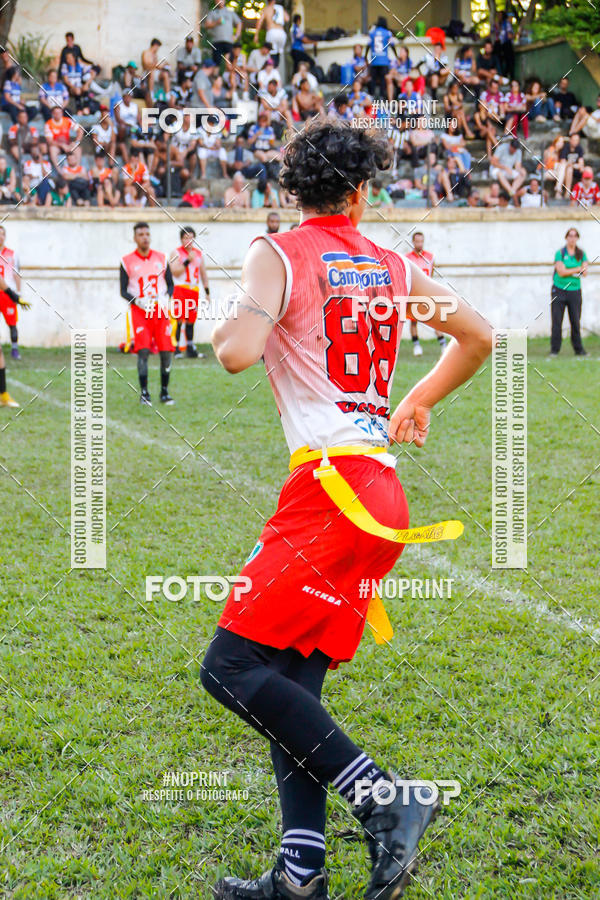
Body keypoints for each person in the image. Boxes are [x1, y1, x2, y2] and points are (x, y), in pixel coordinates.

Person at [205, 118, 492, 900]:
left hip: (331, 491)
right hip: (380, 491)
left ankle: (384, 798)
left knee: (230, 668)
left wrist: (248, 310)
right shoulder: (392, 263)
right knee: (288, 683)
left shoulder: (280, 251)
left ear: (292, 191)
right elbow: (476, 335)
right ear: (363, 195)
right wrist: (418, 399)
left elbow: (234, 352)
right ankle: (301, 872)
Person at [120, 222, 175, 404]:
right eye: (141, 234)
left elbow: (171, 284)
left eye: (147, 234)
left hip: (159, 311)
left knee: (166, 351)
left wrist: (166, 296)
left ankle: (164, 392)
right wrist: (137, 301)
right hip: (140, 311)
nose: (145, 237)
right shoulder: (126, 261)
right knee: (143, 351)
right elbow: (123, 290)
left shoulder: (161, 258)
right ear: (135, 238)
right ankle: (144, 393)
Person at [169, 226, 209, 358]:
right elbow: (174, 271)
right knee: (179, 318)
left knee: (191, 320)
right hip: (181, 288)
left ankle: (190, 347)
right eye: (186, 237)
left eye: (191, 237)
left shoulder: (198, 254)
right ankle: (175, 348)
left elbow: (203, 274)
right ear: (181, 239)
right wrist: (187, 261)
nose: (189, 240)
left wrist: (207, 291)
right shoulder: (176, 253)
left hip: (194, 289)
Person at [406, 232, 447, 355]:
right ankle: (417, 346)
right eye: (417, 241)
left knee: (434, 319)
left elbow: (431, 273)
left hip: (427, 293)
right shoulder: (407, 257)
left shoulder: (430, 257)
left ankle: (443, 344)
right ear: (413, 242)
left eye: (421, 241)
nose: (419, 244)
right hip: (414, 293)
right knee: (413, 320)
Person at [550, 228, 588, 358]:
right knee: (557, 321)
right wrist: (577, 268)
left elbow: (585, 272)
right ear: (566, 238)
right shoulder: (560, 253)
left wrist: (570, 270)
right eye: (570, 236)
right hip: (559, 290)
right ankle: (554, 350)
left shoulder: (581, 253)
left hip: (575, 291)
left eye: (575, 236)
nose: (572, 238)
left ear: (577, 238)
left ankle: (579, 349)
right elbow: (561, 272)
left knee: (575, 321)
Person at [0, 226, 28, 360]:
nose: (0, 237)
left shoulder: (12, 254)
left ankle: (15, 349)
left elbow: (17, 274)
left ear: (5, 236)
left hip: (8, 293)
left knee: (12, 322)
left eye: (2, 234)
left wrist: (18, 292)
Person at [256, 0, 290, 74]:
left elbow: (259, 22)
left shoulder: (266, 9)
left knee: (271, 54)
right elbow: (287, 18)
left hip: (272, 32)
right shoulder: (280, 8)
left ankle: (271, 72)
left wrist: (256, 35)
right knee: (278, 53)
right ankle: (276, 71)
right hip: (281, 33)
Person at [206, 0, 242, 67]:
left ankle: (230, 76)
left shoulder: (230, 12)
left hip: (229, 41)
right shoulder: (212, 13)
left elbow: (239, 23)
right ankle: (216, 77)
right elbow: (207, 25)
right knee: (216, 63)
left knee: (230, 62)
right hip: (217, 41)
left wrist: (236, 36)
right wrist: (217, 22)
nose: (219, 1)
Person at [367, 16, 395, 99]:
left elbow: (368, 45)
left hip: (374, 60)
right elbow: (392, 45)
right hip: (383, 61)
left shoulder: (372, 32)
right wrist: (396, 56)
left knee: (373, 79)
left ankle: (372, 96)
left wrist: (365, 56)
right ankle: (382, 96)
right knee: (383, 79)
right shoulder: (387, 32)